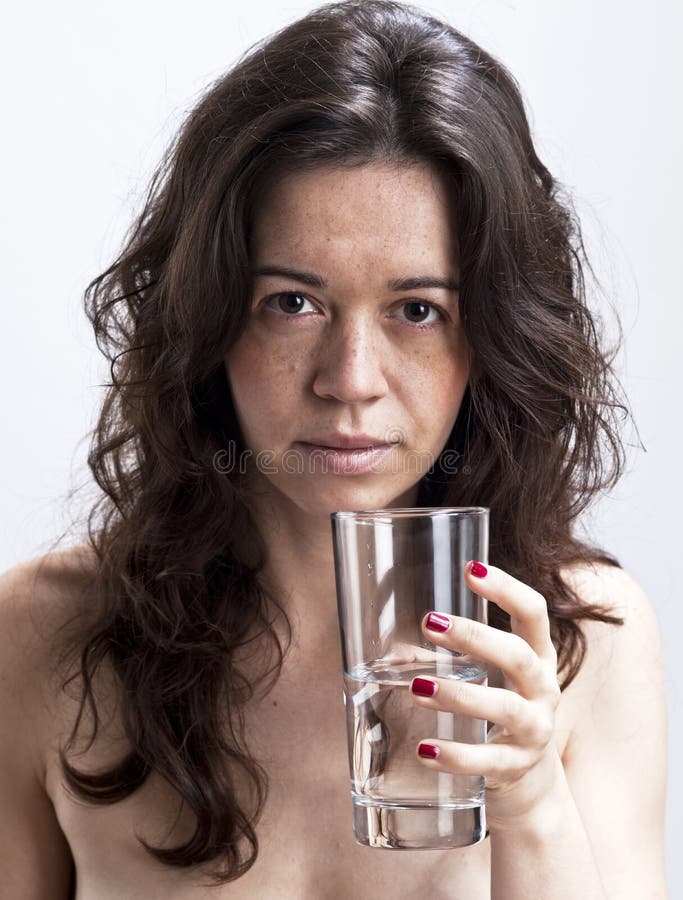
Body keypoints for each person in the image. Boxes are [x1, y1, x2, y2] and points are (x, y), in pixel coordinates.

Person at [0, 0, 668, 897]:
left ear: (493, 339)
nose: (350, 379)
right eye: (292, 302)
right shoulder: (43, 634)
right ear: (207, 319)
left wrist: (531, 801)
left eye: (417, 310)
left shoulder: (586, 639)